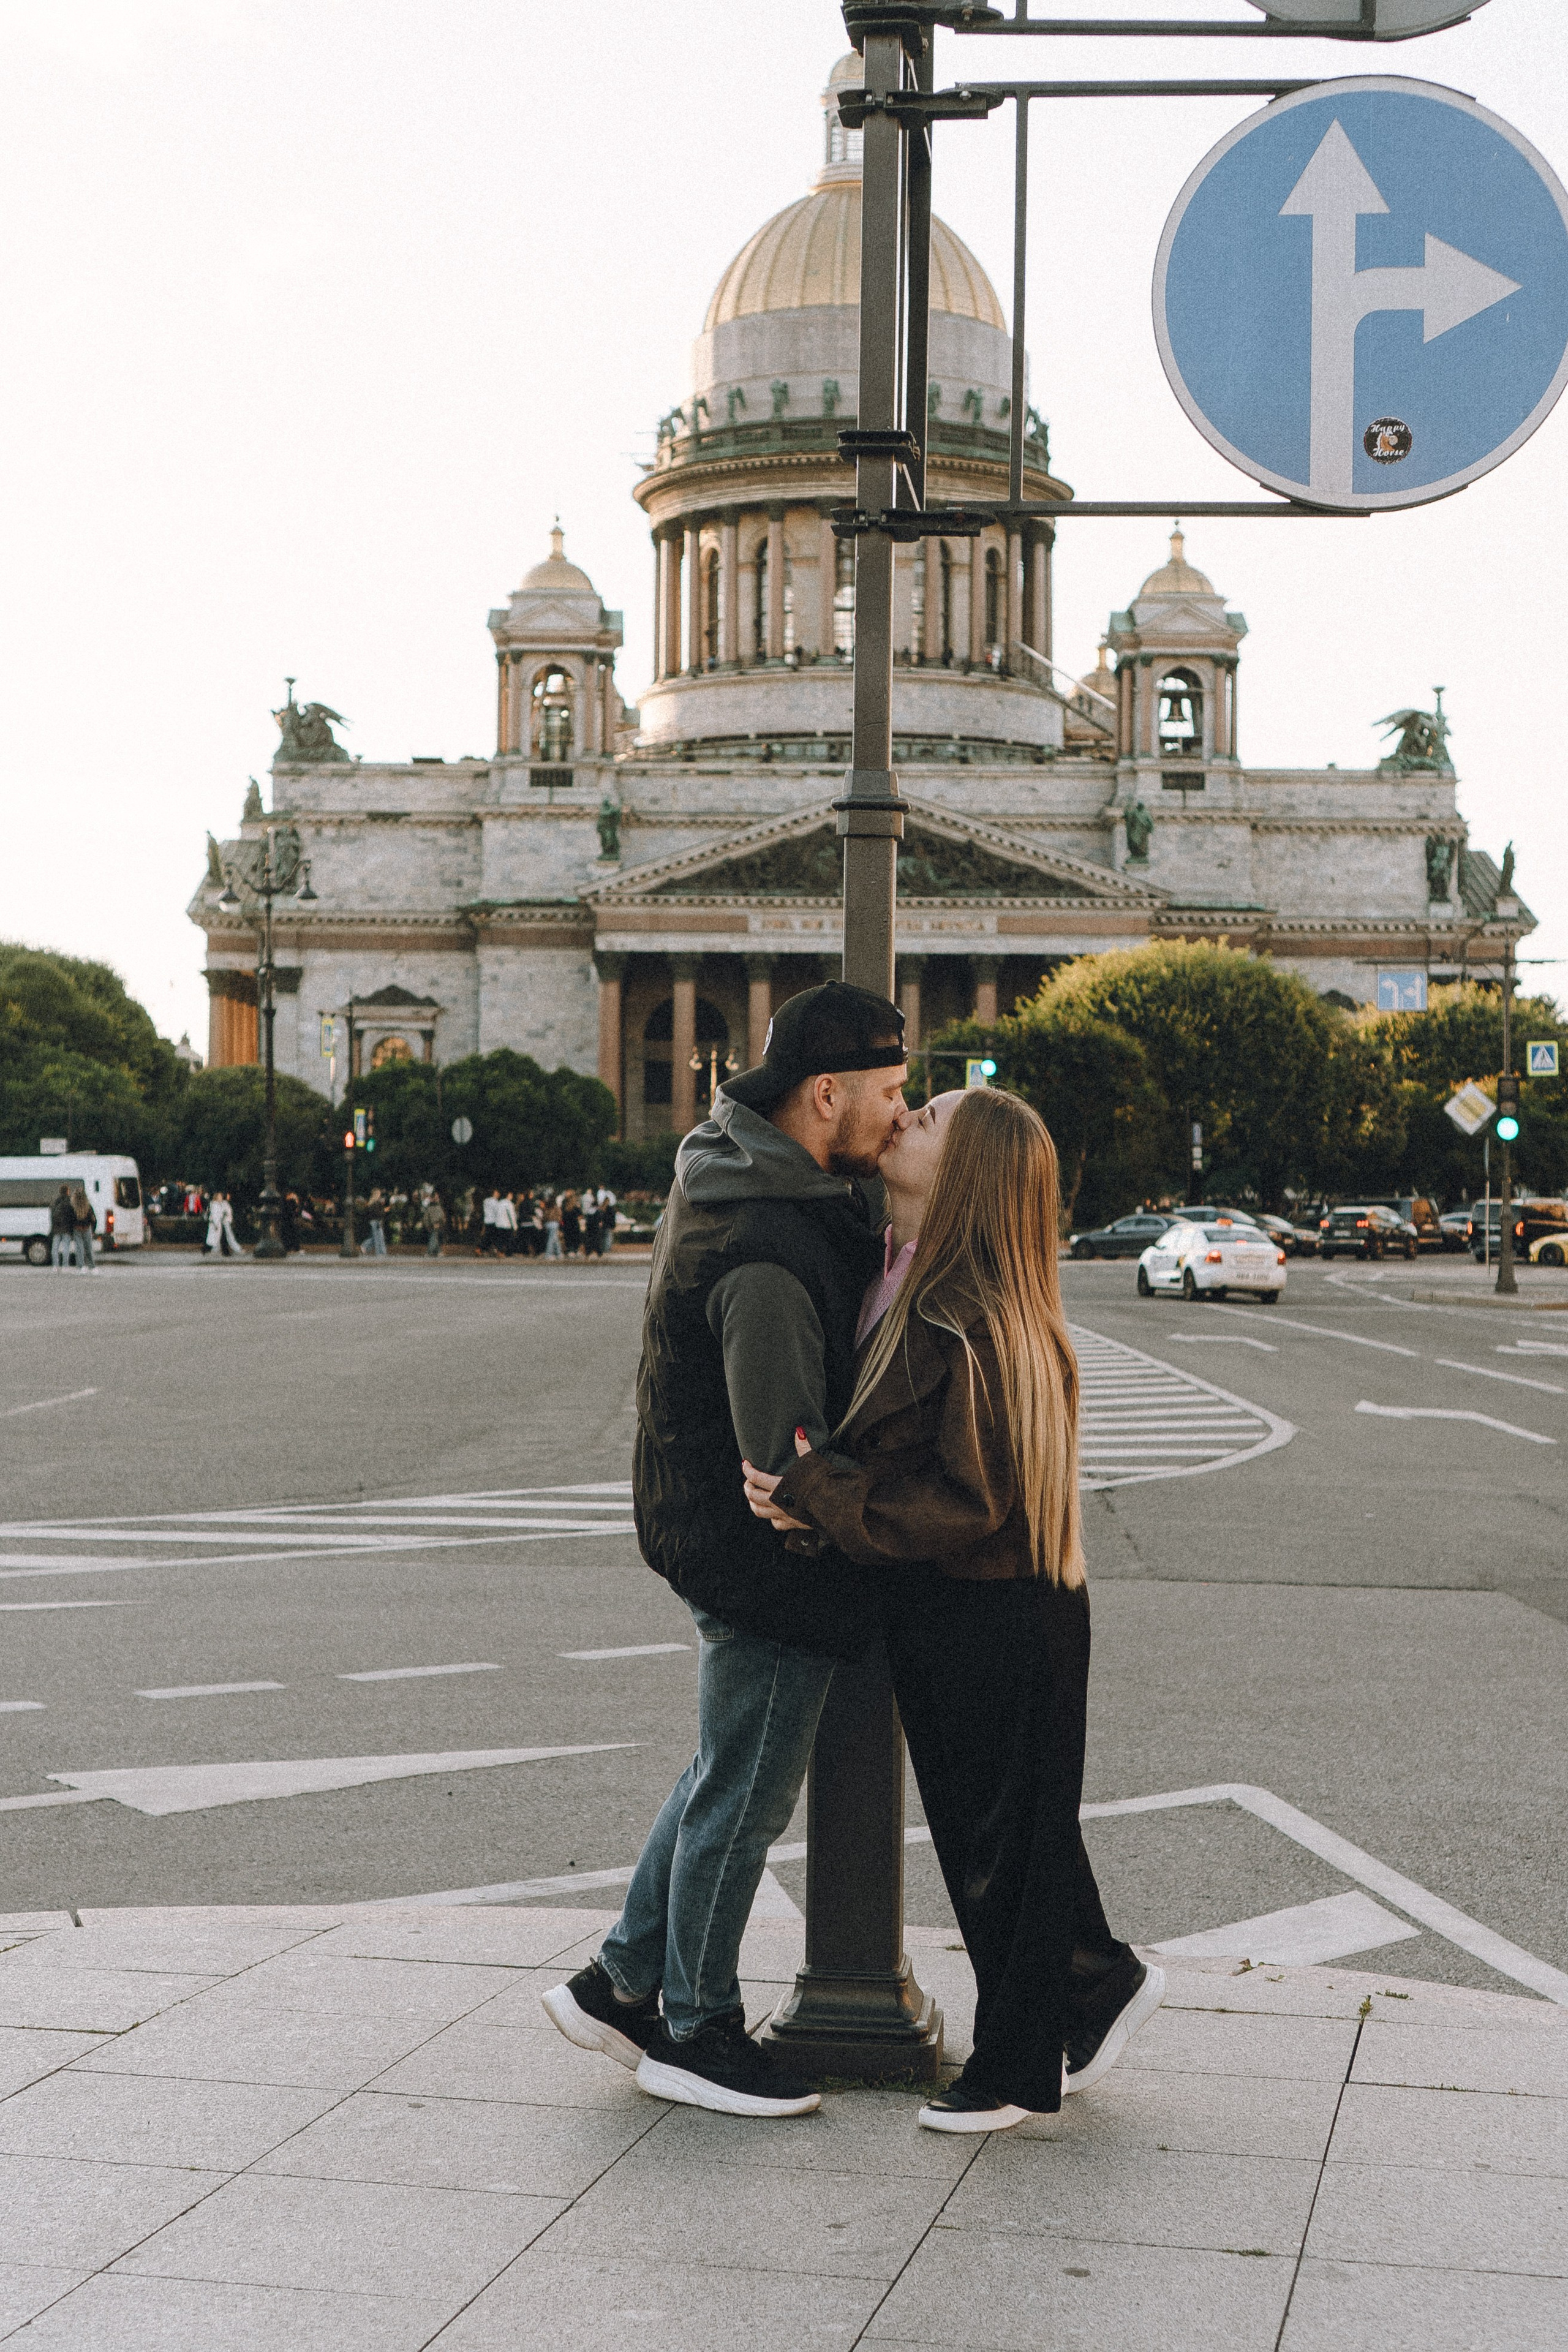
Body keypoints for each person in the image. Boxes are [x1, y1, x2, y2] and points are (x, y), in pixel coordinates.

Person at [744, 1087, 1162, 2134]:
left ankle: (1018, 2070)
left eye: (925, 1117)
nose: (903, 1123)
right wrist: (820, 1504)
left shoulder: (963, 1311)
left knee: (1002, 1845)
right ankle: (1095, 1981)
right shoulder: (914, 1273)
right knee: (1007, 1831)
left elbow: (967, 1500)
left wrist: (819, 1495)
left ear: (967, 1170)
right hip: (963, 1604)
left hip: (993, 1604)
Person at [541, 981, 908, 2120]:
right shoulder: (766, 1248)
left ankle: (621, 1979)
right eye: (892, 1095)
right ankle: (694, 2029)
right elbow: (784, 1465)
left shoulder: (751, 1176)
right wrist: (842, 1504)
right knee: (745, 1793)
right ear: (827, 1093)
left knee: (723, 1766)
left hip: (702, 1530)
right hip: (757, 1557)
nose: (904, 1116)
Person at [69, 1185, 96, 1270]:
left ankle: (81, 1266)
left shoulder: (73, 1207)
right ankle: (92, 1266)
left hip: (77, 1229)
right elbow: (94, 1219)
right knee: (89, 1249)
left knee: (79, 1249)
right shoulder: (88, 1206)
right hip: (87, 1229)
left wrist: (71, 1230)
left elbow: (70, 1219)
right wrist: (93, 1230)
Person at [49, 1184, 75, 1270]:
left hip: (56, 1229)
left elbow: (52, 1216)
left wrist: (52, 1228)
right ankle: (65, 1266)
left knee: (55, 1249)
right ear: (67, 1191)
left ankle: (55, 1266)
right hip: (66, 1229)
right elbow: (72, 1216)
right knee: (66, 1249)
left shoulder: (55, 1201)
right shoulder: (70, 1202)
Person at [363, 1188, 388, 1257]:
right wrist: (384, 1211)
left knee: (377, 1236)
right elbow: (378, 1213)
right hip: (377, 1221)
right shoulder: (376, 1203)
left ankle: (366, 1246)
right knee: (379, 1237)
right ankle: (380, 1252)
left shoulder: (371, 1203)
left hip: (374, 1221)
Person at [423, 1188, 447, 1257]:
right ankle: (434, 1252)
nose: (437, 1198)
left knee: (434, 1237)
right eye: (436, 1197)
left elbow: (442, 1217)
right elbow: (426, 1218)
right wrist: (428, 1225)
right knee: (434, 1237)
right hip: (432, 1225)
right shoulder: (430, 1208)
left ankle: (435, 1252)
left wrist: (441, 1224)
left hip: (438, 1225)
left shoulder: (439, 1207)